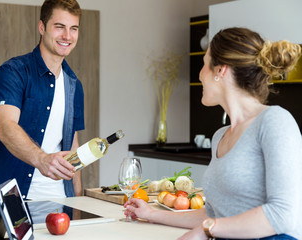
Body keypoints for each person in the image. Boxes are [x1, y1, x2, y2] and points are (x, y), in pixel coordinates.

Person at [124, 27, 302, 240]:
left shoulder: (275, 121)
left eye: (204, 63)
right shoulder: (220, 136)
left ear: (221, 70)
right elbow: (215, 215)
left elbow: (283, 215)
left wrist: (207, 228)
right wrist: (152, 214)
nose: (200, 74)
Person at [0, 0, 84, 227]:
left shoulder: (74, 84)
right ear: (42, 27)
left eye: (73, 28)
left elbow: (72, 146)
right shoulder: (13, 72)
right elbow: (5, 128)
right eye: (59, 26)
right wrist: (41, 159)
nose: (67, 35)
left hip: (59, 202)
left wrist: (78, 204)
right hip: (11, 201)